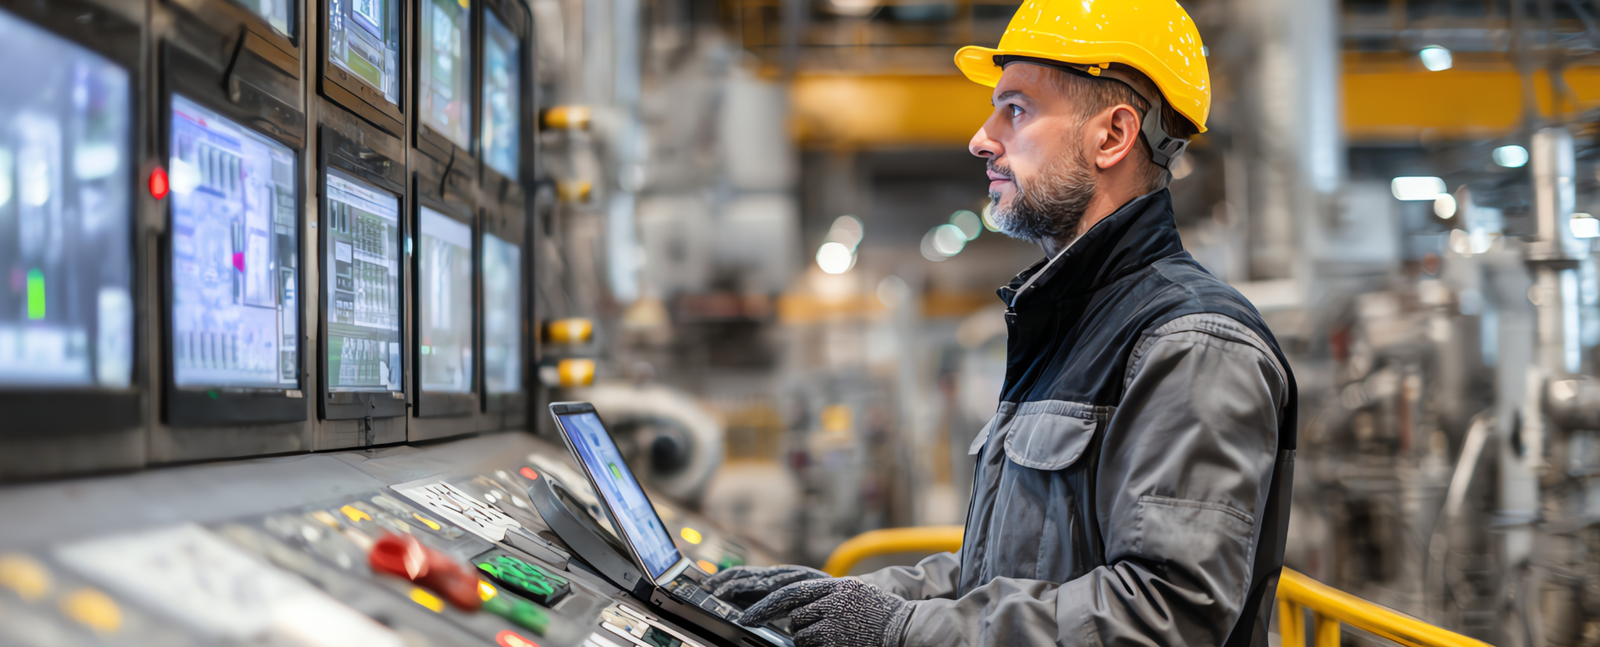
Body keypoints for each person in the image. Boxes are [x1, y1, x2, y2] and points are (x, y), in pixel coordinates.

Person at [702, 0, 1298, 645]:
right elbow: (1012, 570)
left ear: (1112, 137)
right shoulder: (1070, 323)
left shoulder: (1190, 345)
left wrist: (904, 631)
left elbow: (1167, 612)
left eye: (1015, 109)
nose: (981, 138)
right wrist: (858, 598)